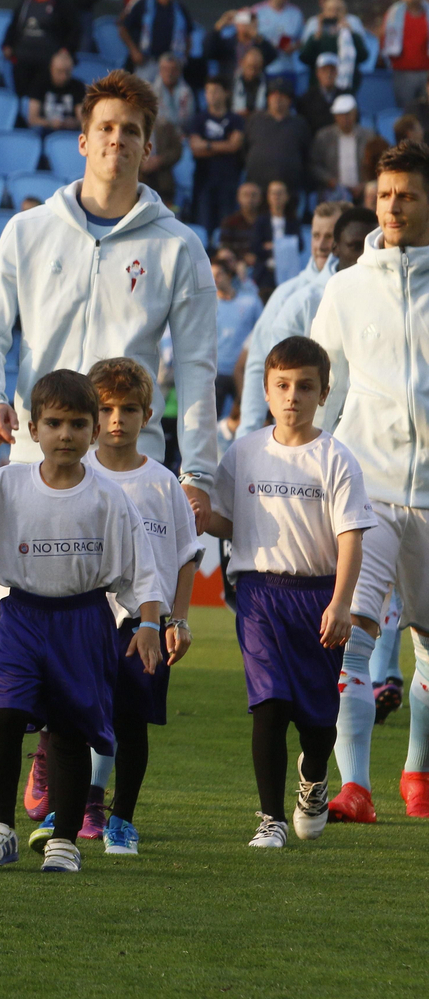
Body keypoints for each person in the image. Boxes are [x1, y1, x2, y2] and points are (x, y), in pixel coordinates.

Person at [0, 369, 164, 873]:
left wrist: (151, 622)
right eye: (53, 423)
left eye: (76, 423)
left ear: (92, 431)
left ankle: (64, 839)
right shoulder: (6, 485)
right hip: (23, 616)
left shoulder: (110, 499)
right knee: (4, 713)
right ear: (32, 429)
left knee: (68, 730)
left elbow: (142, 567)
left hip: (84, 620)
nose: (64, 434)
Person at [0, 71, 218, 531]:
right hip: (38, 456)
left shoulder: (179, 246)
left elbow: (197, 367)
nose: (118, 140)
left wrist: (197, 472)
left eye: (131, 130)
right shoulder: (27, 231)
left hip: (130, 467)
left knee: (133, 605)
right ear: (82, 142)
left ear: (148, 149)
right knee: (29, 603)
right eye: (106, 128)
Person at [204, 336, 373, 847]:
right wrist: (197, 512)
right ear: (266, 389)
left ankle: (314, 778)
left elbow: (350, 539)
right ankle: (270, 819)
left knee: (319, 720)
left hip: (319, 597)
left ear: (324, 393)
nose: (292, 396)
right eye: (282, 385)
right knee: (269, 705)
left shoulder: (336, 459)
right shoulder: (245, 451)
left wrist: (342, 603)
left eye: (305, 386)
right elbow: (226, 522)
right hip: (259, 594)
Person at [311, 140, 429, 824]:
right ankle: (354, 784)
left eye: (407, 195)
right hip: (370, 490)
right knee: (351, 633)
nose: (392, 207)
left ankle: (417, 770)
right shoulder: (347, 289)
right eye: (385, 194)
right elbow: (326, 391)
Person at [40, 358, 200, 855]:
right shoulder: (76, 477)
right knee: (73, 720)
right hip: (82, 620)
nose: (116, 420)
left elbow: (185, 556)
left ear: (147, 414)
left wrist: (177, 620)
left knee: (131, 725)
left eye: (128, 409)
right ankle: (66, 807)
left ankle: (122, 820)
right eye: (105, 408)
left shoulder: (162, 483)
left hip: (142, 626)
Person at [238, 203, 367, 440]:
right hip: (307, 435)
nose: (321, 245)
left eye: (329, 236)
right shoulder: (292, 296)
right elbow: (260, 363)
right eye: (316, 235)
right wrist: (248, 432)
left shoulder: (372, 291)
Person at [2, 0, 78, 98]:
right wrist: (7, 45)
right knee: (22, 94)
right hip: (23, 58)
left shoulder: (61, 3)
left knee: (42, 96)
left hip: (48, 60)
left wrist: (65, 50)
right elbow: (14, 25)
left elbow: (74, 29)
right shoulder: (26, 1)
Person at [187, 76, 245, 232]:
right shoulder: (199, 119)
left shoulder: (236, 119)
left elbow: (234, 146)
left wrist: (206, 145)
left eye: (216, 91)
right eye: (208, 91)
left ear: (226, 93)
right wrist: (223, 145)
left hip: (229, 181)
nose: (211, 95)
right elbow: (195, 148)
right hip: (203, 182)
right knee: (202, 228)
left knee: (225, 229)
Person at [120, 0, 192, 83]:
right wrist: (134, 51)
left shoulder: (179, 8)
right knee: (144, 96)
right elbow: (124, 28)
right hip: (148, 61)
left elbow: (188, 35)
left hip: (171, 64)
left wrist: (183, 58)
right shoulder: (143, 5)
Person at [213, 251, 262, 417]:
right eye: (211, 275)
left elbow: (261, 331)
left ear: (228, 275)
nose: (214, 279)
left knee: (245, 419)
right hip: (216, 372)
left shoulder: (250, 302)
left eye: (219, 274)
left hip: (241, 372)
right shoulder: (206, 306)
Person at [244, 77, 311, 192]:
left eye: (282, 95)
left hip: (289, 190)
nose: (277, 98)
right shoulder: (255, 120)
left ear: (290, 100)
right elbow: (244, 149)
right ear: (268, 98)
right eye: (273, 94)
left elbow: (306, 154)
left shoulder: (299, 123)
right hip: (257, 188)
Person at [312, 95, 376, 204]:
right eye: (341, 115)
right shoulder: (324, 137)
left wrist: (364, 184)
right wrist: (330, 181)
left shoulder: (369, 136)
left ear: (355, 114)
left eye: (348, 114)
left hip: (363, 192)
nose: (345, 119)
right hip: (334, 193)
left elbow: (377, 163)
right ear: (335, 116)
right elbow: (314, 164)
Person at [385, 0, 429, 112]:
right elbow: (384, 41)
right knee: (406, 112)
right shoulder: (393, 14)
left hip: (426, 73)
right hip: (402, 73)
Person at [250, 178, 301, 290]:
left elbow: (300, 245)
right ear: (268, 197)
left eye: (280, 193)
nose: (276, 196)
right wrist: (284, 246)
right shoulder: (261, 221)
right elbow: (255, 247)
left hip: (289, 273)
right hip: (266, 274)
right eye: (273, 193)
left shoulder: (293, 221)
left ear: (287, 197)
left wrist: (274, 246)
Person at [204, 11, 277, 85]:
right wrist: (218, 27)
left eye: (252, 22)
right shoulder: (228, 43)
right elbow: (209, 52)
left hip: (254, 87)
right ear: (237, 24)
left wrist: (257, 36)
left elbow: (272, 56)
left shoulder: (259, 44)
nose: (249, 25)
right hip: (230, 85)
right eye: (245, 22)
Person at [252, 0, 303, 75]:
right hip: (263, 69)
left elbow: (302, 40)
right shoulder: (257, 12)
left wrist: (293, 47)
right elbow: (247, 38)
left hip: (288, 68)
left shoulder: (296, 13)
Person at [27, 48, 84, 133]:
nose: (63, 76)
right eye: (59, 71)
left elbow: (82, 120)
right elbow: (32, 119)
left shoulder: (78, 87)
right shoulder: (39, 84)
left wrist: (74, 123)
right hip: (44, 131)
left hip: (69, 133)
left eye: (67, 72)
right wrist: (50, 123)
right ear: (51, 68)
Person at [140, 112, 181, 207]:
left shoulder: (166, 125)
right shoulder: (130, 125)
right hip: (138, 182)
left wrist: (160, 160)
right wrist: (141, 164)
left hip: (164, 183)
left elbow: (177, 151)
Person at [218, 180, 264, 263]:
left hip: (262, 263)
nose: (250, 199)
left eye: (253, 195)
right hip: (236, 264)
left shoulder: (266, 221)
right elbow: (224, 248)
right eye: (246, 195)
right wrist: (242, 259)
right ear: (238, 198)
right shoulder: (229, 221)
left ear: (260, 199)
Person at [297, 53, 342, 135]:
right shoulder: (307, 98)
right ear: (318, 73)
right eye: (324, 70)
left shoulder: (345, 96)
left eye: (332, 70)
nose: (328, 74)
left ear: (337, 73)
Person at [150, 53, 194, 127]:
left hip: (181, 133)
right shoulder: (151, 92)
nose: (169, 73)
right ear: (160, 71)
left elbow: (189, 118)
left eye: (173, 70)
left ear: (179, 72)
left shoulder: (187, 92)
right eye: (165, 69)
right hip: (159, 134)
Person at [229, 47, 269, 116]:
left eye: (256, 68)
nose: (252, 71)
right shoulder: (230, 81)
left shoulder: (268, 84)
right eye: (250, 67)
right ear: (242, 63)